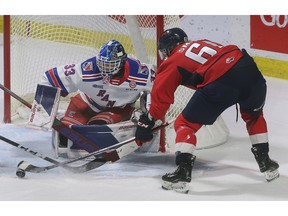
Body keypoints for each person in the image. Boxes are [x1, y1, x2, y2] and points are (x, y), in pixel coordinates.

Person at [134, 27, 280, 192]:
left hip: (222, 80)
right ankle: (266, 163)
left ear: (168, 48)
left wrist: (150, 120)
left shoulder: (172, 60)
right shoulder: (202, 43)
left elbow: (161, 96)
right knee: (254, 116)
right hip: (250, 70)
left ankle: (182, 172)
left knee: (185, 124)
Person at [40, 39, 156, 157]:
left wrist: (149, 117)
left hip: (118, 109)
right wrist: (44, 108)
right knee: (65, 132)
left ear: (121, 62)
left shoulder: (140, 73)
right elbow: (50, 78)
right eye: (102, 63)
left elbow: (157, 90)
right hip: (86, 103)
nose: (104, 69)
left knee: (97, 130)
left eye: (109, 65)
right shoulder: (86, 69)